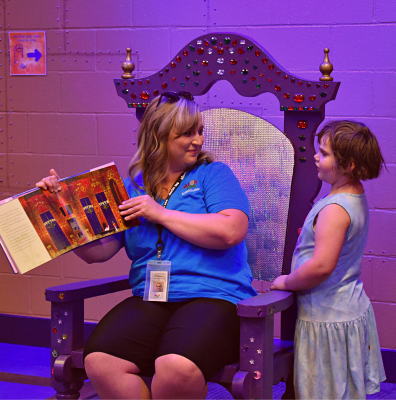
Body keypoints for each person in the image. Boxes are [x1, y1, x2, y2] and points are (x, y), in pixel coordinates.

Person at [37, 91, 257, 400]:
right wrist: (62, 210)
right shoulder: (130, 188)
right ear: (159, 136)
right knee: (100, 362)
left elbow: (231, 231)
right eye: (186, 133)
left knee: (175, 368)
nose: (197, 140)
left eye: (199, 131)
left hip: (214, 296)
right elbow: (97, 252)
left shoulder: (213, 174)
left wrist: (161, 213)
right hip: (151, 297)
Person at [270, 120, 386, 399]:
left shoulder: (335, 209)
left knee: (325, 390)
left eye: (323, 153)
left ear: (349, 165)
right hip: (346, 308)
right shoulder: (351, 193)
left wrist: (287, 281)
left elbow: (321, 266)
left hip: (328, 317)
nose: (316, 157)